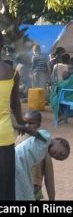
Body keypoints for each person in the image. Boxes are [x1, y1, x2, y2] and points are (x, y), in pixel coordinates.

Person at [0, 31, 25, 200]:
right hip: (5, 137)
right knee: (5, 185)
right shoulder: (12, 73)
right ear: (2, 47)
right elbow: (15, 103)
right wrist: (22, 122)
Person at [14, 124, 70, 200]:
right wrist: (18, 126)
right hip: (17, 160)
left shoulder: (44, 154)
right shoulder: (47, 137)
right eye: (61, 153)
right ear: (60, 142)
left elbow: (48, 176)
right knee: (26, 193)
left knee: (27, 194)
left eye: (58, 158)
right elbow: (33, 132)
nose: (57, 156)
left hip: (21, 167)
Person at [15, 110, 55, 200]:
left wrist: (51, 197)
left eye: (31, 123)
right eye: (25, 123)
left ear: (38, 125)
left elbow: (49, 173)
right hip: (18, 187)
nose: (27, 126)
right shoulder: (18, 140)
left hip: (35, 190)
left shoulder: (42, 145)